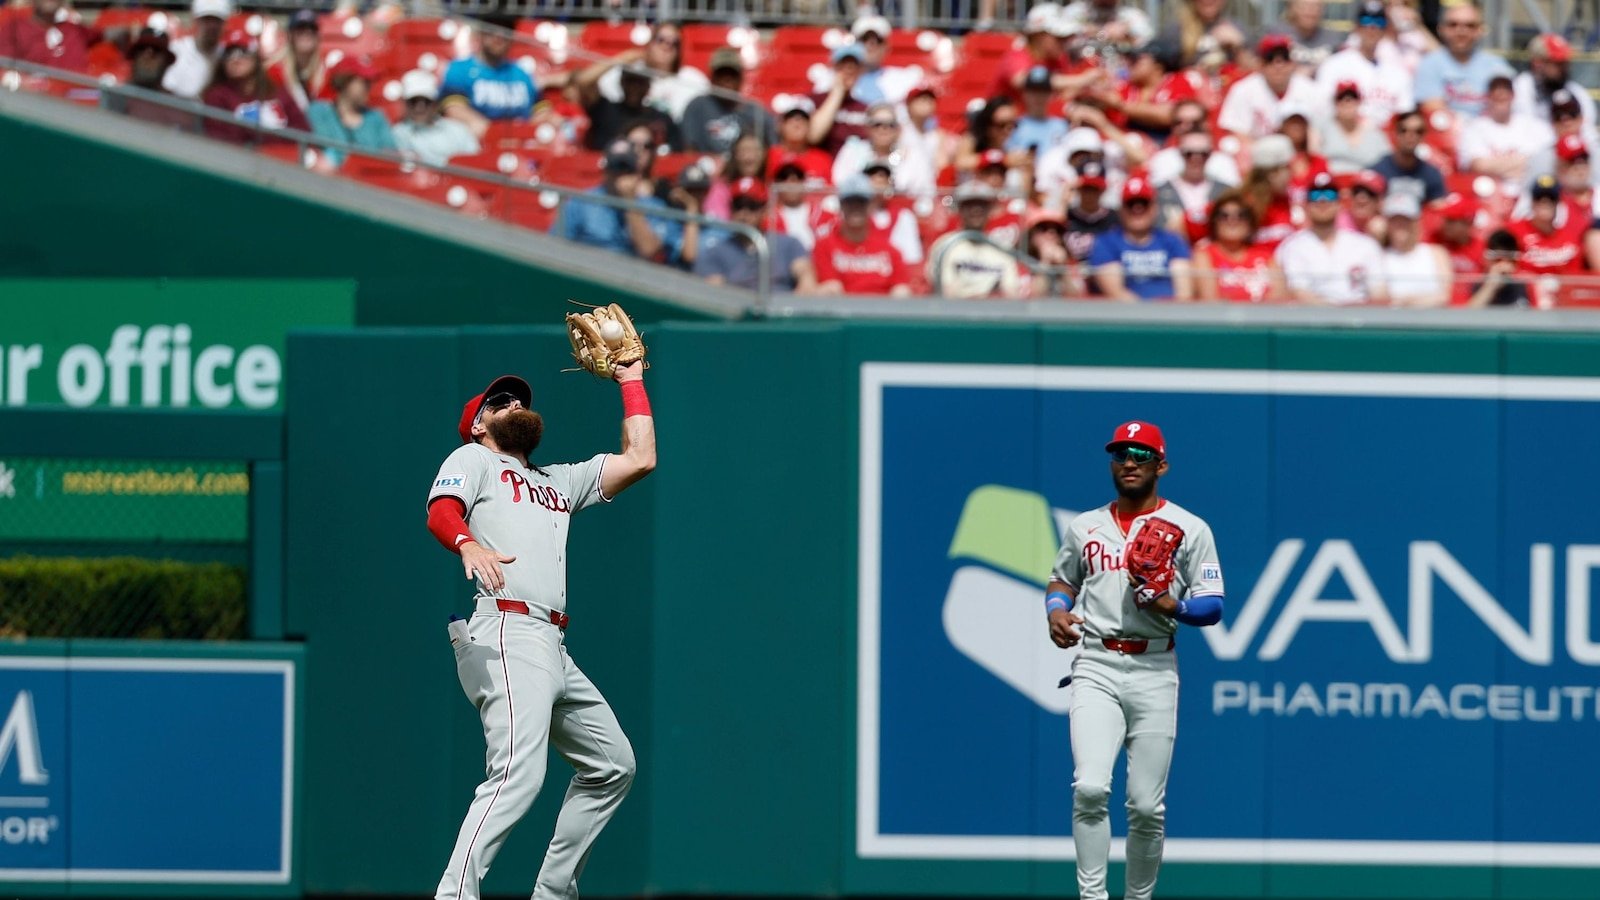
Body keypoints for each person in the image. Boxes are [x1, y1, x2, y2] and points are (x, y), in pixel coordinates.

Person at [426, 364, 654, 900]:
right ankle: (454, 894)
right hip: (505, 629)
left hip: (552, 644)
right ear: (478, 423)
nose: (512, 405)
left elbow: (641, 458)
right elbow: (441, 510)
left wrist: (631, 379)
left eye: (517, 400)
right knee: (517, 775)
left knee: (612, 765)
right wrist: (468, 544)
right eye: (499, 402)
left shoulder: (557, 481)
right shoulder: (475, 458)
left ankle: (553, 892)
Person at [1046, 420, 1224, 900]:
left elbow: (1212, 605)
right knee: (1089, 788)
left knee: (1146, 807)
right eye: (1121, 454)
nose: (1129, 462)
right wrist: (1056, 611)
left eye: (1141, 455)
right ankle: (1092, 897)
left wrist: (1174, 606)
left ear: (1161, 465)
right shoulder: (1085, 526)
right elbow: (1063, 581)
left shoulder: (1190, 527)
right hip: (1097, 663)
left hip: (1154, 667)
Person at [559, 141, 682, 265]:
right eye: (615, 168)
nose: (620, 175)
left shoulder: (655, 208)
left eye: (627, 169)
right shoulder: (582, 202)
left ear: (637, 173)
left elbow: (649, 251)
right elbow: (556, 246)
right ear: (606, 172)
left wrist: (629, 202)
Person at [1275, 172, 1388, 304]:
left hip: (1359, 319)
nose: (1322, 200)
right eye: (1315, 195)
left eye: (1330, 194)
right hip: (1310, 319)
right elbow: (1298, 293)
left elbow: (1380, 293)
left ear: (1340, 203)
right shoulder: (1292, 246)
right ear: (1305, 204)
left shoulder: (1365, 245)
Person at [693, 178, 815, 293]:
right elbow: (713, 293)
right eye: (738, 206)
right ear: (730, 209)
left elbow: (805, 277)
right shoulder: (715, 252)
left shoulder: (788, 244)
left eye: (752, 206)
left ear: (764, 210)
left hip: (783, 308)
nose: (744, 213)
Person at [1089, 177, 1192, 301]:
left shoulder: (1173, 241)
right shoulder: (1106, 243)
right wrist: (1147, 314)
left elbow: (1184, 291)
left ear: (1155, 208)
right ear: (1121, 209)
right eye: (1131, 204)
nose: (1137, 209)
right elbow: (1116, 292)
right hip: (1126, 316)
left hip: (1171, 314)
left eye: (1144, 203)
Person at [201, 29, 310, 145]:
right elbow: (223, 139)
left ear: (256, 57)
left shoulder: (277, 92)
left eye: (243, 51)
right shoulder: (217, 97)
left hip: (285, 158)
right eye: (229, 54)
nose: (235, 59)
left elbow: (302, 130)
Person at [1315, 1, 1412, 129]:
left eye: (1379, 22)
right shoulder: (1334, 65)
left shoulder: (1397, 73)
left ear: (1385, 29)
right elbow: (1322, 110)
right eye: (1366, 21)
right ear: (1357, 27)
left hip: (1386, 140)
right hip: (1345, 135)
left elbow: (1405, 116)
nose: (1372, 27)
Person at [812, 174, 913, 296]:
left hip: (881, 310)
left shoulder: (889, 250)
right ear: (841, 205)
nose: (855, 208)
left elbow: (901, 288)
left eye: (861, 202)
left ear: (871, 205)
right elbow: (831, 288)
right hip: (841, 310)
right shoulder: (825, 246)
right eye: (850, 202)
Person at [440, 22, 541, 139]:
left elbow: (540, 109)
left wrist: (525, 131)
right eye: (491, 31)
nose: (499, 37)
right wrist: (491, 133)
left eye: (506, 31)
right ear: (480, 34)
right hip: (477, 143)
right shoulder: (459, 69)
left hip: (519, 144)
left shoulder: (522, 73)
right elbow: (454, 108)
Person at [1458, 74, 1552, 198]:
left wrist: (1495, 166)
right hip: (1490, 196)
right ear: (1488, 98)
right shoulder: (1475, 128)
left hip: (1530, 194)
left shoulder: (1534, 126)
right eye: (1496, 98)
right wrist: (1522, 163)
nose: (1500, 103)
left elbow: (1546, 160)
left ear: (1512, 97)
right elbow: (1477, 166)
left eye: (1504, 97)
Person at [926, 182, 1026, 298]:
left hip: (994, 312)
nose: (976, 210)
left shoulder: (1002, 248)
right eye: (969, 205)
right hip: (953, 313)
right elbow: (946, 292)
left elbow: (1011, 294)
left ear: (990, 210)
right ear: (960, 209)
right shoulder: (945, 245)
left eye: (982, 205)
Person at [1414, 1, 1512, 119]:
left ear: (1480, 30)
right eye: (1453, 24)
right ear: (1441, 29)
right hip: (1446, 133)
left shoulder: (1497, 66)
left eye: (1470, 25)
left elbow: (1504, 110)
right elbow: (1433, 112)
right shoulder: (1429, 64)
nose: (1461, 31)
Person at [593, 22, 707, 121]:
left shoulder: (692, 78)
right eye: (660, 40)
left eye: (675, 43)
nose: (667, 46)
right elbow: (586, 82)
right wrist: (623, 58)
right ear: (649, 43)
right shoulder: (631, 73)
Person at [1217, 35, 1319, 142]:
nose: (1278, 65)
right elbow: (1238, 134)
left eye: (1284, 58)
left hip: (1298, 154)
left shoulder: (1310, 90)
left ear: (1293, 63)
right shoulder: (1243, 89)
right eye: (1270, 58)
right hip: (1256, 153)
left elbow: (1317, 133)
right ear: (1260, 64)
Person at [679, 48, 776, 154]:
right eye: (721, 74)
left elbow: (772, 148)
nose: (726, 80)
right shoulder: (697, 107)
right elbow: (689, 151)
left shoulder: (755, 111)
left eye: (732, 74)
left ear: (740, 79)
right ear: (712, 78)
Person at [1191, 190, 1283, 302]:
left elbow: (1279, 301)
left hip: (1264, 318)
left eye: (1241, 215)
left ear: (1250, 223)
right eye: (1224, 215)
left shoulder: (1267, 258)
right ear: (1214, 222)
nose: (1232, 221)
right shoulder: (1204, 255)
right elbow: (1210, 301)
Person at [575, 54, 679, 153]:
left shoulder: (662, 119)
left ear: (648, 85)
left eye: (640, 82)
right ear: (621, 82)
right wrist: (623, 59)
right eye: (630, 81)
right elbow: (583, 81)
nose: (634, 87)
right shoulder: (604, 110)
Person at [1508, 175, 1586, 306]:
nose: (1545, 202)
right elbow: (1506, 269)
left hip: (1563, 302)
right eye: (1539, 198)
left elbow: (1575, 276)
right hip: (1524, 301)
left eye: (1551, 198)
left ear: (1558, 203)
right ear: (1532, 202)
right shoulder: (1513, 231)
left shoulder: (1570, 236)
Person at [308, 56, 396, 168]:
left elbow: (390, 154)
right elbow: (322, 150)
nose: (368, 87)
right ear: (344, 81)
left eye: (369, 82)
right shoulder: (319, 112)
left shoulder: (377, 118)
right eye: (364, 81)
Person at [833, 102, 934, 199]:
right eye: (877, 124)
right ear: (867, 128)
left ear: (898, 129)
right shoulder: (852, 151)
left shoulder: (913, 156)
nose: (883, 129)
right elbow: (840, 184)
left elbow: (925, 194)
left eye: (890, 124)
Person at [109, 28, 198, 132]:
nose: (148, 55)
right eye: (142, 49)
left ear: (167, 62)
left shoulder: (182, 107)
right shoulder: (114, 98)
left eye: (156, 50)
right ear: (133, 57)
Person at [393, 69, 481, 167]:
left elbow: (475, 162)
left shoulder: (458, 130)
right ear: (405, 103)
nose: (420, 107)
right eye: (414, 101)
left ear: (435, 103)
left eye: (426, 101)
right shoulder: (397, 135)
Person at [1156, 129, 1229, 243]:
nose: (1196, 159)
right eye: (1189, 154)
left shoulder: (1226, 192)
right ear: (1180, 153)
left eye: (1203, 154)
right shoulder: (1159, 192)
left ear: (1210, 154)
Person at [1379, 193, 1452, 306]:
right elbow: (1381, 299)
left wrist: (1404, 302)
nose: (1400, 225)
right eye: (1395, 220)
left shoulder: (1436, 253)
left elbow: (1444, 296)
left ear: (1416, 222)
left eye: (1405, 220)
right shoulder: (1379, 257)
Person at [1513, 33, 1594, 128]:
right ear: (1537, 63)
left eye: (1565, 63)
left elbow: (1587, 128)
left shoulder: (1576, 92)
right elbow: (1524, 128)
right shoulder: (1521, 88)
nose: (1564, 68)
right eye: (1557, 63)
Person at [0, 0, 102, 72]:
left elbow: (107, 33)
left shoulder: (75, 29)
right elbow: (5, 75)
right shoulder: (13, 30)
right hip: (37, 99)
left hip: (81, 97)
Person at [1371, 108, 1446, 203]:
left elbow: (1438, 207)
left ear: (1423, 136)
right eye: (1404, 130)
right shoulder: (1377, 172)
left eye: (1418, 131)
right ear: (1395, 133)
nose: (1410, 135)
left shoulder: (1432, 174)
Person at [810, 43, 872, 155]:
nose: (849, 69)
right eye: (843, 64)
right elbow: (813, 136)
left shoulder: (864, 108)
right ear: (834, 67)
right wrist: (838, 92)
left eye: (855, 65)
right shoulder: (817, 100)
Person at [1239, 134, 1298, 250]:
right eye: (1287, 168)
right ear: (1272, 173)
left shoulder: (1289, 199)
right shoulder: (1244, 204)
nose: (1291, 175)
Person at [1318, 82, 1392, 175]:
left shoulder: (1374, 133)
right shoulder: (1323, 128)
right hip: (1331, 182)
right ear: (1335, 103)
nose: (1347, 101)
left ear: (1359, 102)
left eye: (1352, 98)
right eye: (1341, 98)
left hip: (1364, 183)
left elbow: (1387, 162)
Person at [164, 0, 231, 98]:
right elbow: (167, 91)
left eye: (217, 20)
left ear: (224, 24)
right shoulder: (176, 50)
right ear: (196, 20)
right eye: (206, 19)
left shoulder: (227, 56)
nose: (212, 26)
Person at [268, 9, 329, 115]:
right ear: (290, 35)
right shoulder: (274, 72)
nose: (307, 32)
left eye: (312, 29)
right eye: (300, 29)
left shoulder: (327, 71)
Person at [1262, 0, 1343, 73]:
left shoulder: (1333, 38)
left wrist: (1312, 71)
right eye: (1304, 6)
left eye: (1316, 6)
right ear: (1293, 8)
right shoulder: (1277, 34)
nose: (1310, 11)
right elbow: (1262, 64)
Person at [1008, 66, 1070, 155]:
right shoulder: (1013, 126)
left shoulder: (1062, 126)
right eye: (1033, 91)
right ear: (1024, 94)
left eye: (1043, 91)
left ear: (1051, 94)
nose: (1038, 96)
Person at [1464, 228, 1532, 306]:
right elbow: (1468, 314)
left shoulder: (1523, 286)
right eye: (1497, 259)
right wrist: (1491, 286)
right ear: (1486, 259)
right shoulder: (1475, 283)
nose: (1503, 265)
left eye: (1510, 260)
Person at [1059, 0, 1155, 47]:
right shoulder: (1073, 13)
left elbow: (1149, 46)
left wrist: (1128, 37)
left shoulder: (1133, 16)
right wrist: (1100, 32)